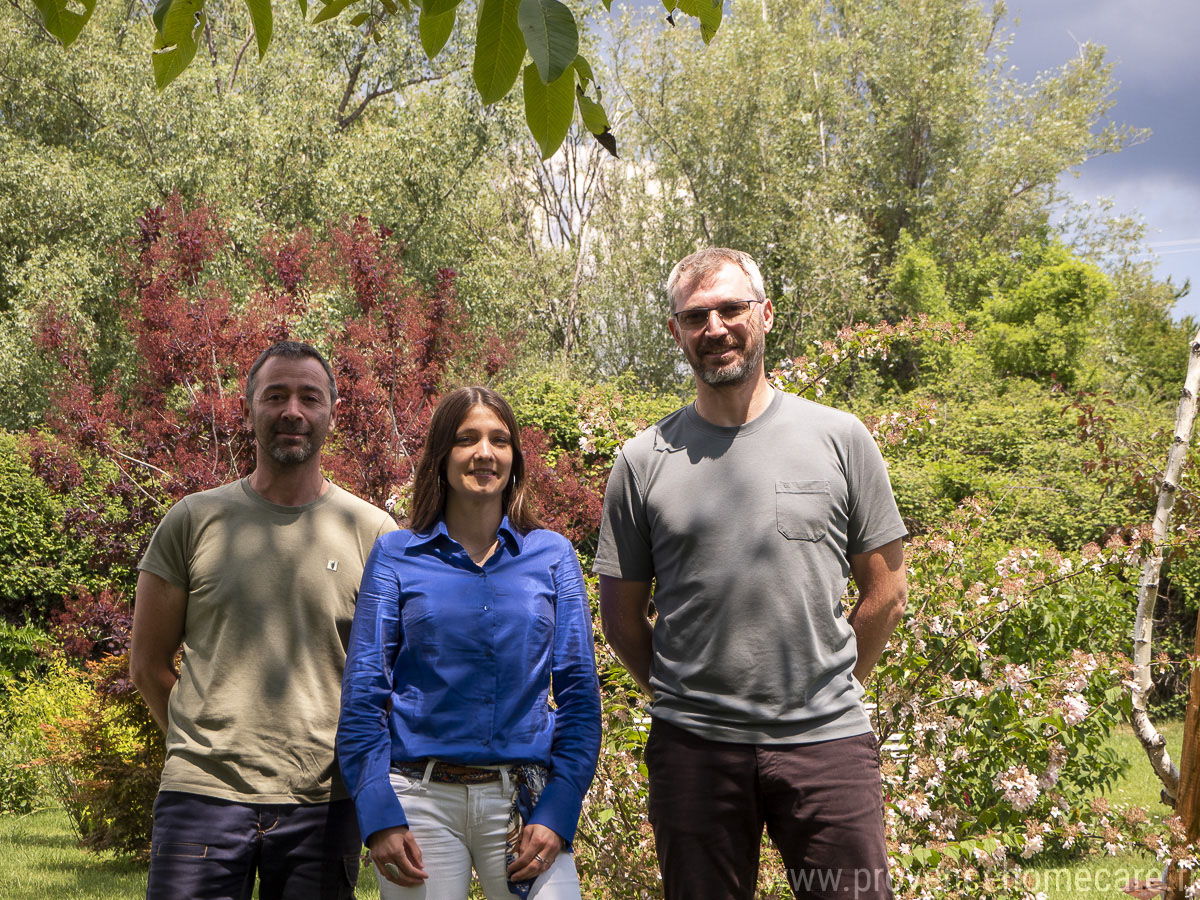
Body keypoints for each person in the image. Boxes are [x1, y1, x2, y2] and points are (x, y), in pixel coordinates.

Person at [594, 248, 909, 900]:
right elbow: (622, 621)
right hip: (695, 755)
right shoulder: (641, 461)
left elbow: (887, 591)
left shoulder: (840, 439)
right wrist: (686, 697)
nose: (715, 327)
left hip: (827, 746)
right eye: (695, 315)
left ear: (765, 313)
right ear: (676, 331)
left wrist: (828, 686)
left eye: (731, 308)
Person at [130, 340, 398, 900]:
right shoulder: (193, 520)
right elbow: (148, 665)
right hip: (201, 798)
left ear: (332, 411)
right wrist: (199, 744)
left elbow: (391, 681)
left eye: (309, 397)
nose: (292, 411)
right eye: (275, 396)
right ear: (249, 407)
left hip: (323, 804)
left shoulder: (373, 534)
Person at [337, 386, 602, 900]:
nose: (484, 453)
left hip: (525, 803)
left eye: (499, 440)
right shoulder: (394, 556)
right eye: (467, 439)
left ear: (515, 458)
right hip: (418, 801)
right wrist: (378, 814)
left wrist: (559, 810)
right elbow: (364, 693)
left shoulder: (553, 557)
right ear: (442, 455)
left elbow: (578, 697)